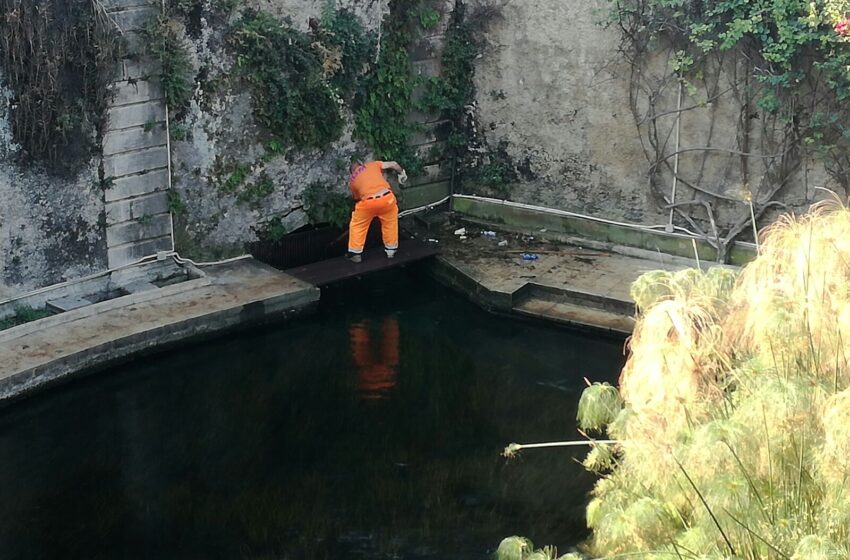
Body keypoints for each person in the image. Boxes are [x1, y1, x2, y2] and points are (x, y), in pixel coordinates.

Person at [346, 159, 406, 263]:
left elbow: (357, 198)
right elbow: (394, 164)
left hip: (368, 203)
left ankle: (355, 254)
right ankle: (391, 250)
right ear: (362, 164)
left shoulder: (352, 181)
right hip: (387, 198)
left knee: (358, 225)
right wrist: (402, 173)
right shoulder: (373, 165)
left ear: (352, 172)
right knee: (390, 222)